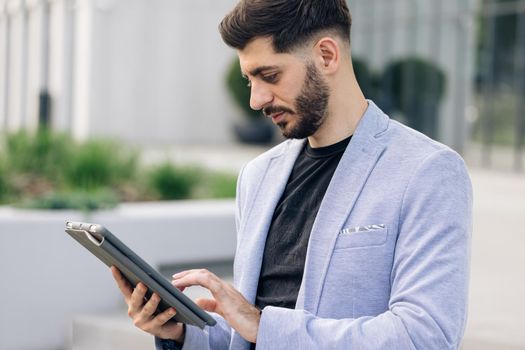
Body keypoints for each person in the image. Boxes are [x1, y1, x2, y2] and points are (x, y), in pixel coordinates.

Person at [111, 0, 473, 349]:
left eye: (269, 75)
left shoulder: (427, 171)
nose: (256, 100)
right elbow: (251, 336)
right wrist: (180, 332)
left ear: (327, 55)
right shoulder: (257, 176)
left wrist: (263, 324)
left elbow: (426, 337)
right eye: (250, 79)